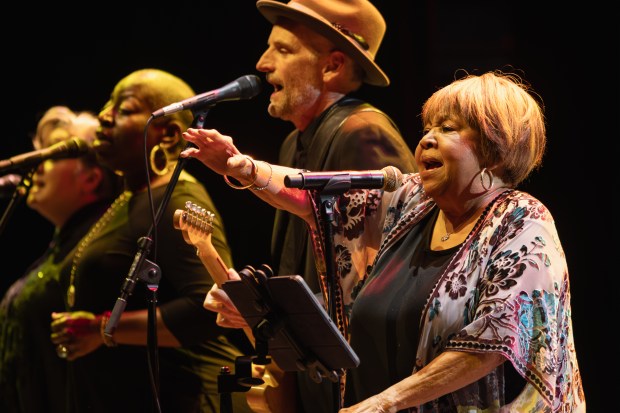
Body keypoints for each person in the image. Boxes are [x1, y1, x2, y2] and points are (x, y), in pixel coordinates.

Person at [182, 70, 586, 412]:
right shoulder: (412, 202)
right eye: (427, 128)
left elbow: (494, 341)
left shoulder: (522, 222)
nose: (426, 139)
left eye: (447, 129)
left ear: (495, 150)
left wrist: (386, 402)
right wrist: (245, 168)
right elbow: (317, 200)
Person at [234, 1, 417, 410]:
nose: (263, 64)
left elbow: (385, 277)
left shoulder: (362, 132)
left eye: (282, 50)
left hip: (360, 384)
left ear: (332, 67)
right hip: (321, 376)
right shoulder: (294, 142)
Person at [49, 69, 253, 413]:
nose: (103, 116)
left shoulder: (177, 199)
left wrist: (103, 328)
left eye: (124, 109)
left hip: (181, 397)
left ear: (170, 135)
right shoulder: (130, 198)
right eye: (107, 105)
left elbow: (208, 308)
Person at [0, 106, 122, 413]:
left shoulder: (102, 252)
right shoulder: (62, 249)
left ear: (92, 178)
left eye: (51, 156)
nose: (36, 166)